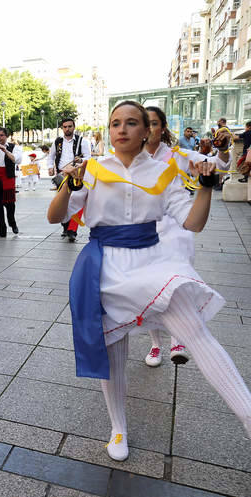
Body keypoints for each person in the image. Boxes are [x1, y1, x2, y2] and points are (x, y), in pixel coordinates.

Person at [47, 100, 251, 462]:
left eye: (130, 123)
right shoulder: (92, 169)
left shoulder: (164, 171)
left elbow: (192, 223)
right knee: (113, 352)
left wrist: (205, 187)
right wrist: (69, 182)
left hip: (153, 262)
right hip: (104, 266)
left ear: (147, 131)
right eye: (114, 124)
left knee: (197, 335)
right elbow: (55, 216)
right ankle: (118, 427)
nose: (121, 130)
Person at [142, 106, 231, 367]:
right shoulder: (129, 160)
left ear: (163, 128)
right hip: (144, 233)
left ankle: (177, 339)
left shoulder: (178, 155)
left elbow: (219, 163)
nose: (149, 129)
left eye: (155, 123)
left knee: (177, 285)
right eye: (144, 123)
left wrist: (223, 149)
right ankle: (155, 344)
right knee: (149, 290)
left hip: (177, 231)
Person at [47, 118, 91, 242]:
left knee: (76, 200)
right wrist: (50, 167)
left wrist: (80, 160)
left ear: (74, 127)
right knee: (63, 201)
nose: (67, 129)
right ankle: (66, 227)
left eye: (70, 126)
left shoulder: (82, 141)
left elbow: (88, 158)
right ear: (62, 128)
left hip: (76, 175)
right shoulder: (57, 142)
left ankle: (72, 230)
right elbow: (51, 156)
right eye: (65, 127)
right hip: (61, 175)